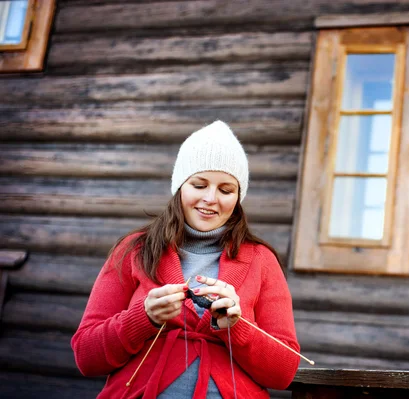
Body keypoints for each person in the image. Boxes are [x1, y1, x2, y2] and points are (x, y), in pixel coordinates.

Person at [71, 121, 301, 398]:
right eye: (199, 184)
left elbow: (284, 371)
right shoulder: (134, 250)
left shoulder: (261, 260)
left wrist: (237, 328)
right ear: (180, 185)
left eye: (226, 190)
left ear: (238, 197)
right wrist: (144, 318)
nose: (210, 198)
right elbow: (86, 356)